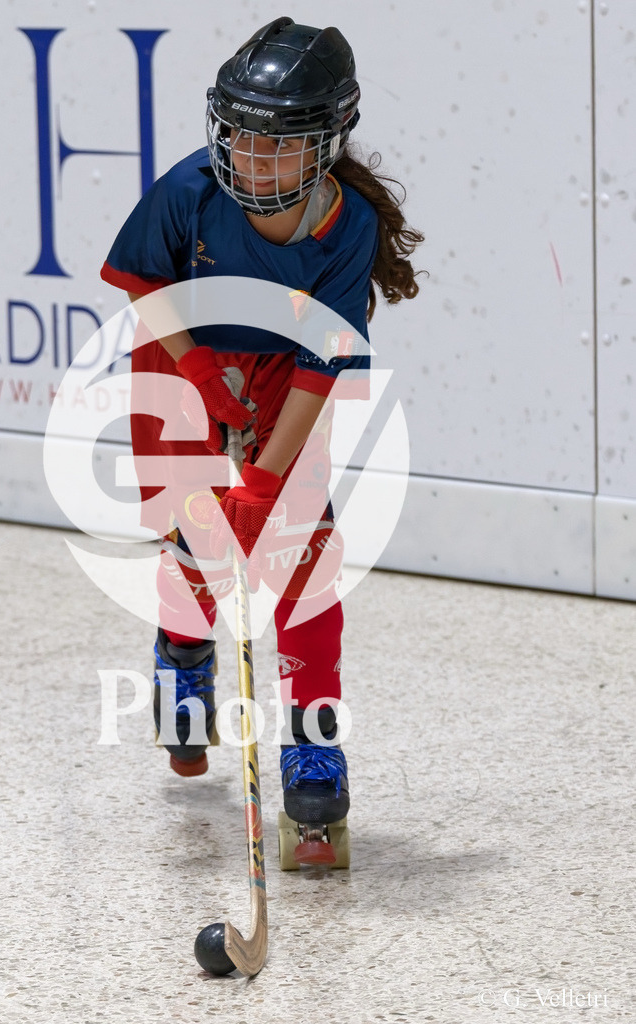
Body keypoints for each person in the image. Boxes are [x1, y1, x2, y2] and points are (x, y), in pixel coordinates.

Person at [100, 16, 423, 843]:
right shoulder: (189, 189)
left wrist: (270, 477)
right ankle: (182, 654)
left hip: (287, 378)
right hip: (181, 359)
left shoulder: (346, 226)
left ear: (325, 144)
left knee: (303, 556)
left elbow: (322, 361)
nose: (250, 158)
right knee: (199, 538)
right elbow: (141, 280)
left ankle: (313, 749)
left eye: (277, 144)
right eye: (239, 136)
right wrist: (201, 374)